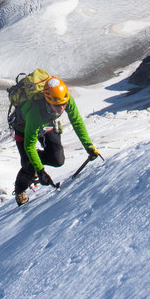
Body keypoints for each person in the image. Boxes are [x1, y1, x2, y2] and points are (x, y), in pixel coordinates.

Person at [13, 76, 99, 206]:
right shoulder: (34, 112)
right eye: (58, 106)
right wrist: (40, 170)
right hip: (24, 128)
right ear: (47, 101)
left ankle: (34, 159)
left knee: (58, 159)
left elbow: (77, 122)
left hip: (46, 124)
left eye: (63, 104)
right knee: (28, 164)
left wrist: (89, 146)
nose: (62, 108)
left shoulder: (66, 99)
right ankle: (20, 188)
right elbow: (29, 145)